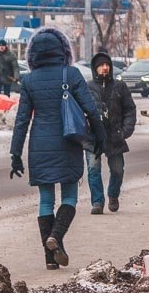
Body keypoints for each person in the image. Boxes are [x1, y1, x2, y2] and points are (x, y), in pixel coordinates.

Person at [10, 29, 107, 270]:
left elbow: (22, 120)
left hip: (39, 144)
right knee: (70, 197)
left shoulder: (29, 81)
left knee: (45, 200)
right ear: (63, 51)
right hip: (68, 141)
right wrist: (101, 138)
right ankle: (56, 237)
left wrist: (15, 154)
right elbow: (91, 110)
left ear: (33, 55)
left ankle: (49, 257)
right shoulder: (71, 74)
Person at [86, 51, 137, 215]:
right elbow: (80, 110)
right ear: (95, 68)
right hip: (93, 136)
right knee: (93, 169)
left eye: (107, 65)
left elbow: (130, 109)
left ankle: (113, 195)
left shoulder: (119, 86)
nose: (105, 68)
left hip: (115, 135)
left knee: (117, 170)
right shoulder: (87, 87)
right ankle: (97, 202)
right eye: (101, 65)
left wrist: (125, 131)